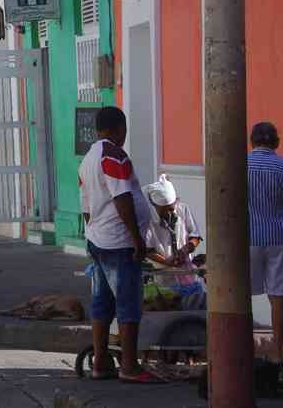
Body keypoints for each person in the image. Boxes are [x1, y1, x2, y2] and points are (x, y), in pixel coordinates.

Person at [78, 106, 158, 383]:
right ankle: (129, 366)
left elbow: (86, 206)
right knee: (128, 304)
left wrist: (93, 233)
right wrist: (137, 239)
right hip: (118, 242)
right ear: (119, 129)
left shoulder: (88, 159)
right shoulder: (113, 155)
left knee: (102, 302)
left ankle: (101, 362)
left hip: (98, 239)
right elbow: (122, 198)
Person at [248, 121, 283, 366]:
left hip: (249, 237)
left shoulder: (240, 165)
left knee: (242, 294)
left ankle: (242, 348)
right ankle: (277, 352)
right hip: (280, 237)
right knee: (277, 295)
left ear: (252, 141)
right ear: (276, 142)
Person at [142, 175, 203, 287]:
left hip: (186, 271)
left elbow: (195, 236)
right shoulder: (148, 219)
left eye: (171, 209)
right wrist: (167, 262)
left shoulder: (183, 209)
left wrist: (185, 250)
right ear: (155, 206)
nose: (169, 214)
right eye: (164, 211)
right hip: (162, 274)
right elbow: (147, 250)